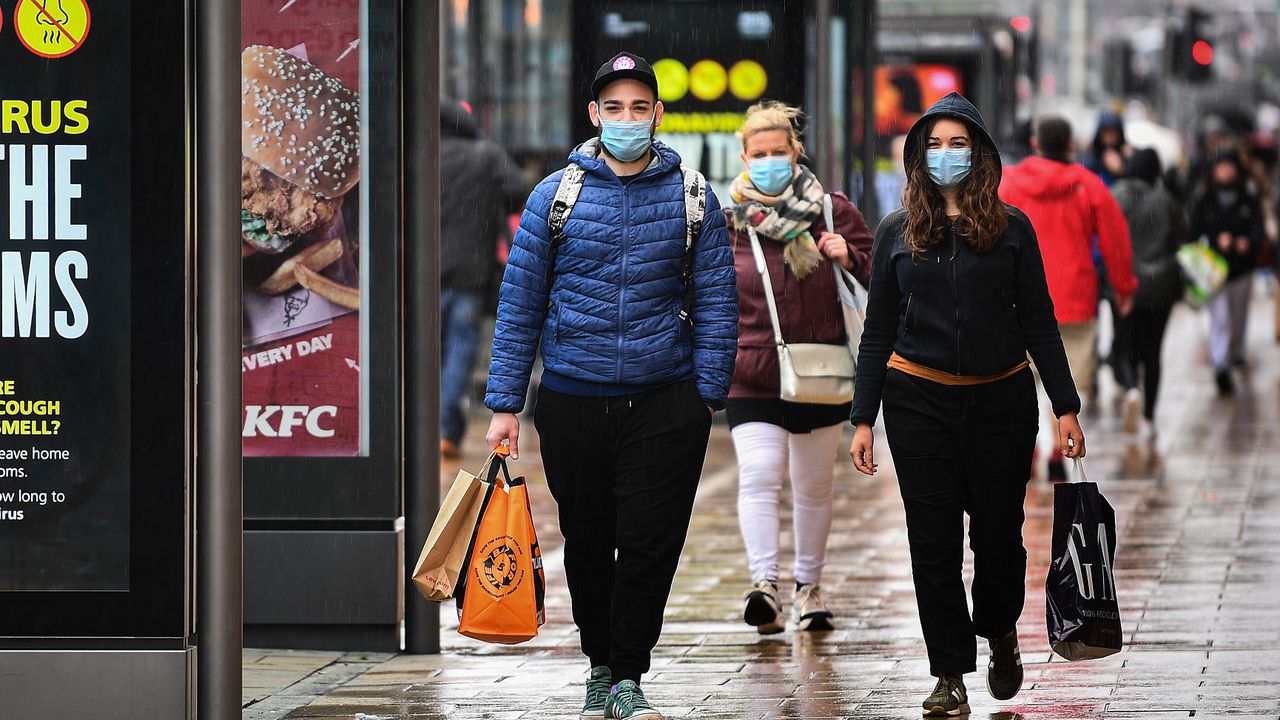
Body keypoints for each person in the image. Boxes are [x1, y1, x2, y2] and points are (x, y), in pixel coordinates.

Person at [484, 52, 737, 720]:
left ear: (658, 114)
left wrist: (706, 394)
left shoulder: (693, 197)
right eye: (613, 107)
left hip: (666, 397)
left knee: (653, 541)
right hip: (572, 397)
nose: (627, 119)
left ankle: (629, 675)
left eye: (639, 107)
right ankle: (600, 662)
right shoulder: (554, 196)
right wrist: (505, 404)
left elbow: (717, 299)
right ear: (594, 115)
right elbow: (521, 304)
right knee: (590, 540)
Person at [848, 92, 1086, 716]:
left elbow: (1039, 321)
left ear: (979, 153)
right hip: (916, 401)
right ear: (917, 155)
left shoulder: (1012, 229)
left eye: (958, 144)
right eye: (934, 144)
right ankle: (949, 673)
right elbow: (877, 331)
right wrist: (861, 418)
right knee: (932, 543)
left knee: (1000, 538)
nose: (946, 155)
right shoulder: (898, 232)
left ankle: (1001, 629)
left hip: (1001, 402)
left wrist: (1065, 406)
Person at [724, 101, 873, 635]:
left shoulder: (832, 211)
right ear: (744, 157)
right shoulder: (730, 224)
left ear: (795, 153)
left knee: (813, 486)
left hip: (819, 368)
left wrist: (848, 256)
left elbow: (880, 274)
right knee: (760, 475)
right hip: (752, 371)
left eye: (777, 152)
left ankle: (809, 586)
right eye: (758, 154)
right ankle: (764, 585)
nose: (768, 162)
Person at [999, 115, 1137, 481]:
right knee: (1069, 383)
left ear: (1035, 143)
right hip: (1074, 298)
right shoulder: (1088, 185)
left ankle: (1026, 448)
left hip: (1017, 299)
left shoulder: (1009, 183)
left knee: (1020, 381)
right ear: (1071, 146)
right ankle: (1061, 447)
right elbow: (1115, 239)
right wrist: (1123, 287)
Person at [438, 100, 528, 459]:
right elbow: (522, 191)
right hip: (470, 272)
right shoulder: (484, 155)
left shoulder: (420, 153)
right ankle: (446, 428)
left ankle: (423, 428)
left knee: (429, 354)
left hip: (423, 275)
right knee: (460, 352)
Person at [1110, 149, 1188, 436]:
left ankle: (1131, 388)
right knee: (1153, 352)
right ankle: (1148, 418)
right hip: (1161, 286)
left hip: (1124, 282)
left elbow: (1104, 236)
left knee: (1125, 344)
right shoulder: (1167, 200)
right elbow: (1183, 235)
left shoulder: (1115, 195)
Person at [1189, 149, 1264, 395]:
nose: (1225, 172)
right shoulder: (1205, 198)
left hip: (1241, 269)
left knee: (1238, 317)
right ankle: (1221, 365)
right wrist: (1214, 239)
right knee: (1220, 318)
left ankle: (1234, 355)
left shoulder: (1248, 196)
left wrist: (1247, 242)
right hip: (1215, 270)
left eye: (1228, 167)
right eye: (1220, 167)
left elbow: (1258, 229)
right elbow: (1194, 232)